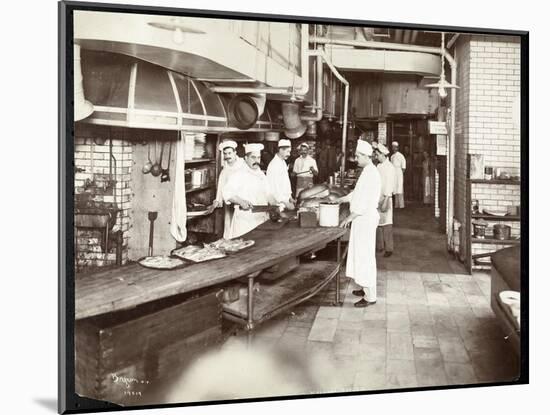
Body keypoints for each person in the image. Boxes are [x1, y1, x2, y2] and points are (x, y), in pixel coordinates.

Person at [336, 140, 381, 308]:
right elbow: (358, 193)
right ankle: (364, 287)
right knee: (360, 254)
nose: (355, 159)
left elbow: (364, 202)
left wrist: (349, 217)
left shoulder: (371, 173)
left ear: (364, 156)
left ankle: (370, 296)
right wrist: (343, 199)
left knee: (365, 257)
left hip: (365, 219)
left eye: (357, 156)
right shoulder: (367, 171)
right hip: (361, 219)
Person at [222, 143, 278, 238]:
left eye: (258, 158)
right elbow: (227, 193)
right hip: (245, 221)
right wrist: (241, 201)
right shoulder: (238, 174)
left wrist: (274, 204)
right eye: (253, 157)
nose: (256, 161)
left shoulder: (261, 175)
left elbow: (268, 193)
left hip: (261, 219)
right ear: (246, 158)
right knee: (243, 249)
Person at [212, 140, 246, 239]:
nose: (227, 156)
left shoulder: (243, 166)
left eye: (230, 153)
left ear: (235, 153)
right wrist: (218, 200)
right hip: (229, 204)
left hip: (242, 202)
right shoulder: (225, 170)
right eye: (225, 154)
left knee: (241, 227)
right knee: (229, 226)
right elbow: (221, 186)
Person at [374, 144, 396, 257]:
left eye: (377, 155)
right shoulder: (378, 166)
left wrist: (386, 198)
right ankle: (379, 246)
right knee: (377, 223)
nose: (376, 157)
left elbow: (390, 184)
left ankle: (389, 248)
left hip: (386, 197)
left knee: (387, 223)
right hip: (377, 196)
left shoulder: (390, 167)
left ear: (383, 154)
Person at [266, 139, 295, 210]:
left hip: (285, 201)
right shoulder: (274, 165)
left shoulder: (283, 162)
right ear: (281, 150)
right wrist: (285, 202)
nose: (289, 154)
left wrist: (290, 197)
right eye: (287, 151)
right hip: (278, 203)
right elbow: (274, 188)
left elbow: (286, 182)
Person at [390, 141, 406, 208]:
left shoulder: (401, 155)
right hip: (394, 172)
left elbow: (404, 167)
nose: (394, 148)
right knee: (395, 188)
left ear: (397, 148)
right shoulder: (392, 156)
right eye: (393, 147)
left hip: (399, 172)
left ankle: (401, 205)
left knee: (399, 188)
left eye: (395, 147)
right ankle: (396, 205)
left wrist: (400, 174)